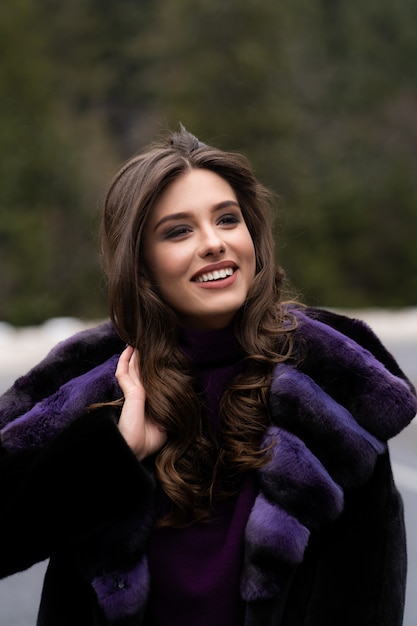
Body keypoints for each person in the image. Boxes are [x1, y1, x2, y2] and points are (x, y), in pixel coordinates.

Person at [0, 126, 416, 626]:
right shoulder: (91, 380)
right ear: (141, 264)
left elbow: (370, 594)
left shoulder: (330, 376)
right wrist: (113, 454)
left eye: (227, 219)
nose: (214, 243)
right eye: (179, 230)